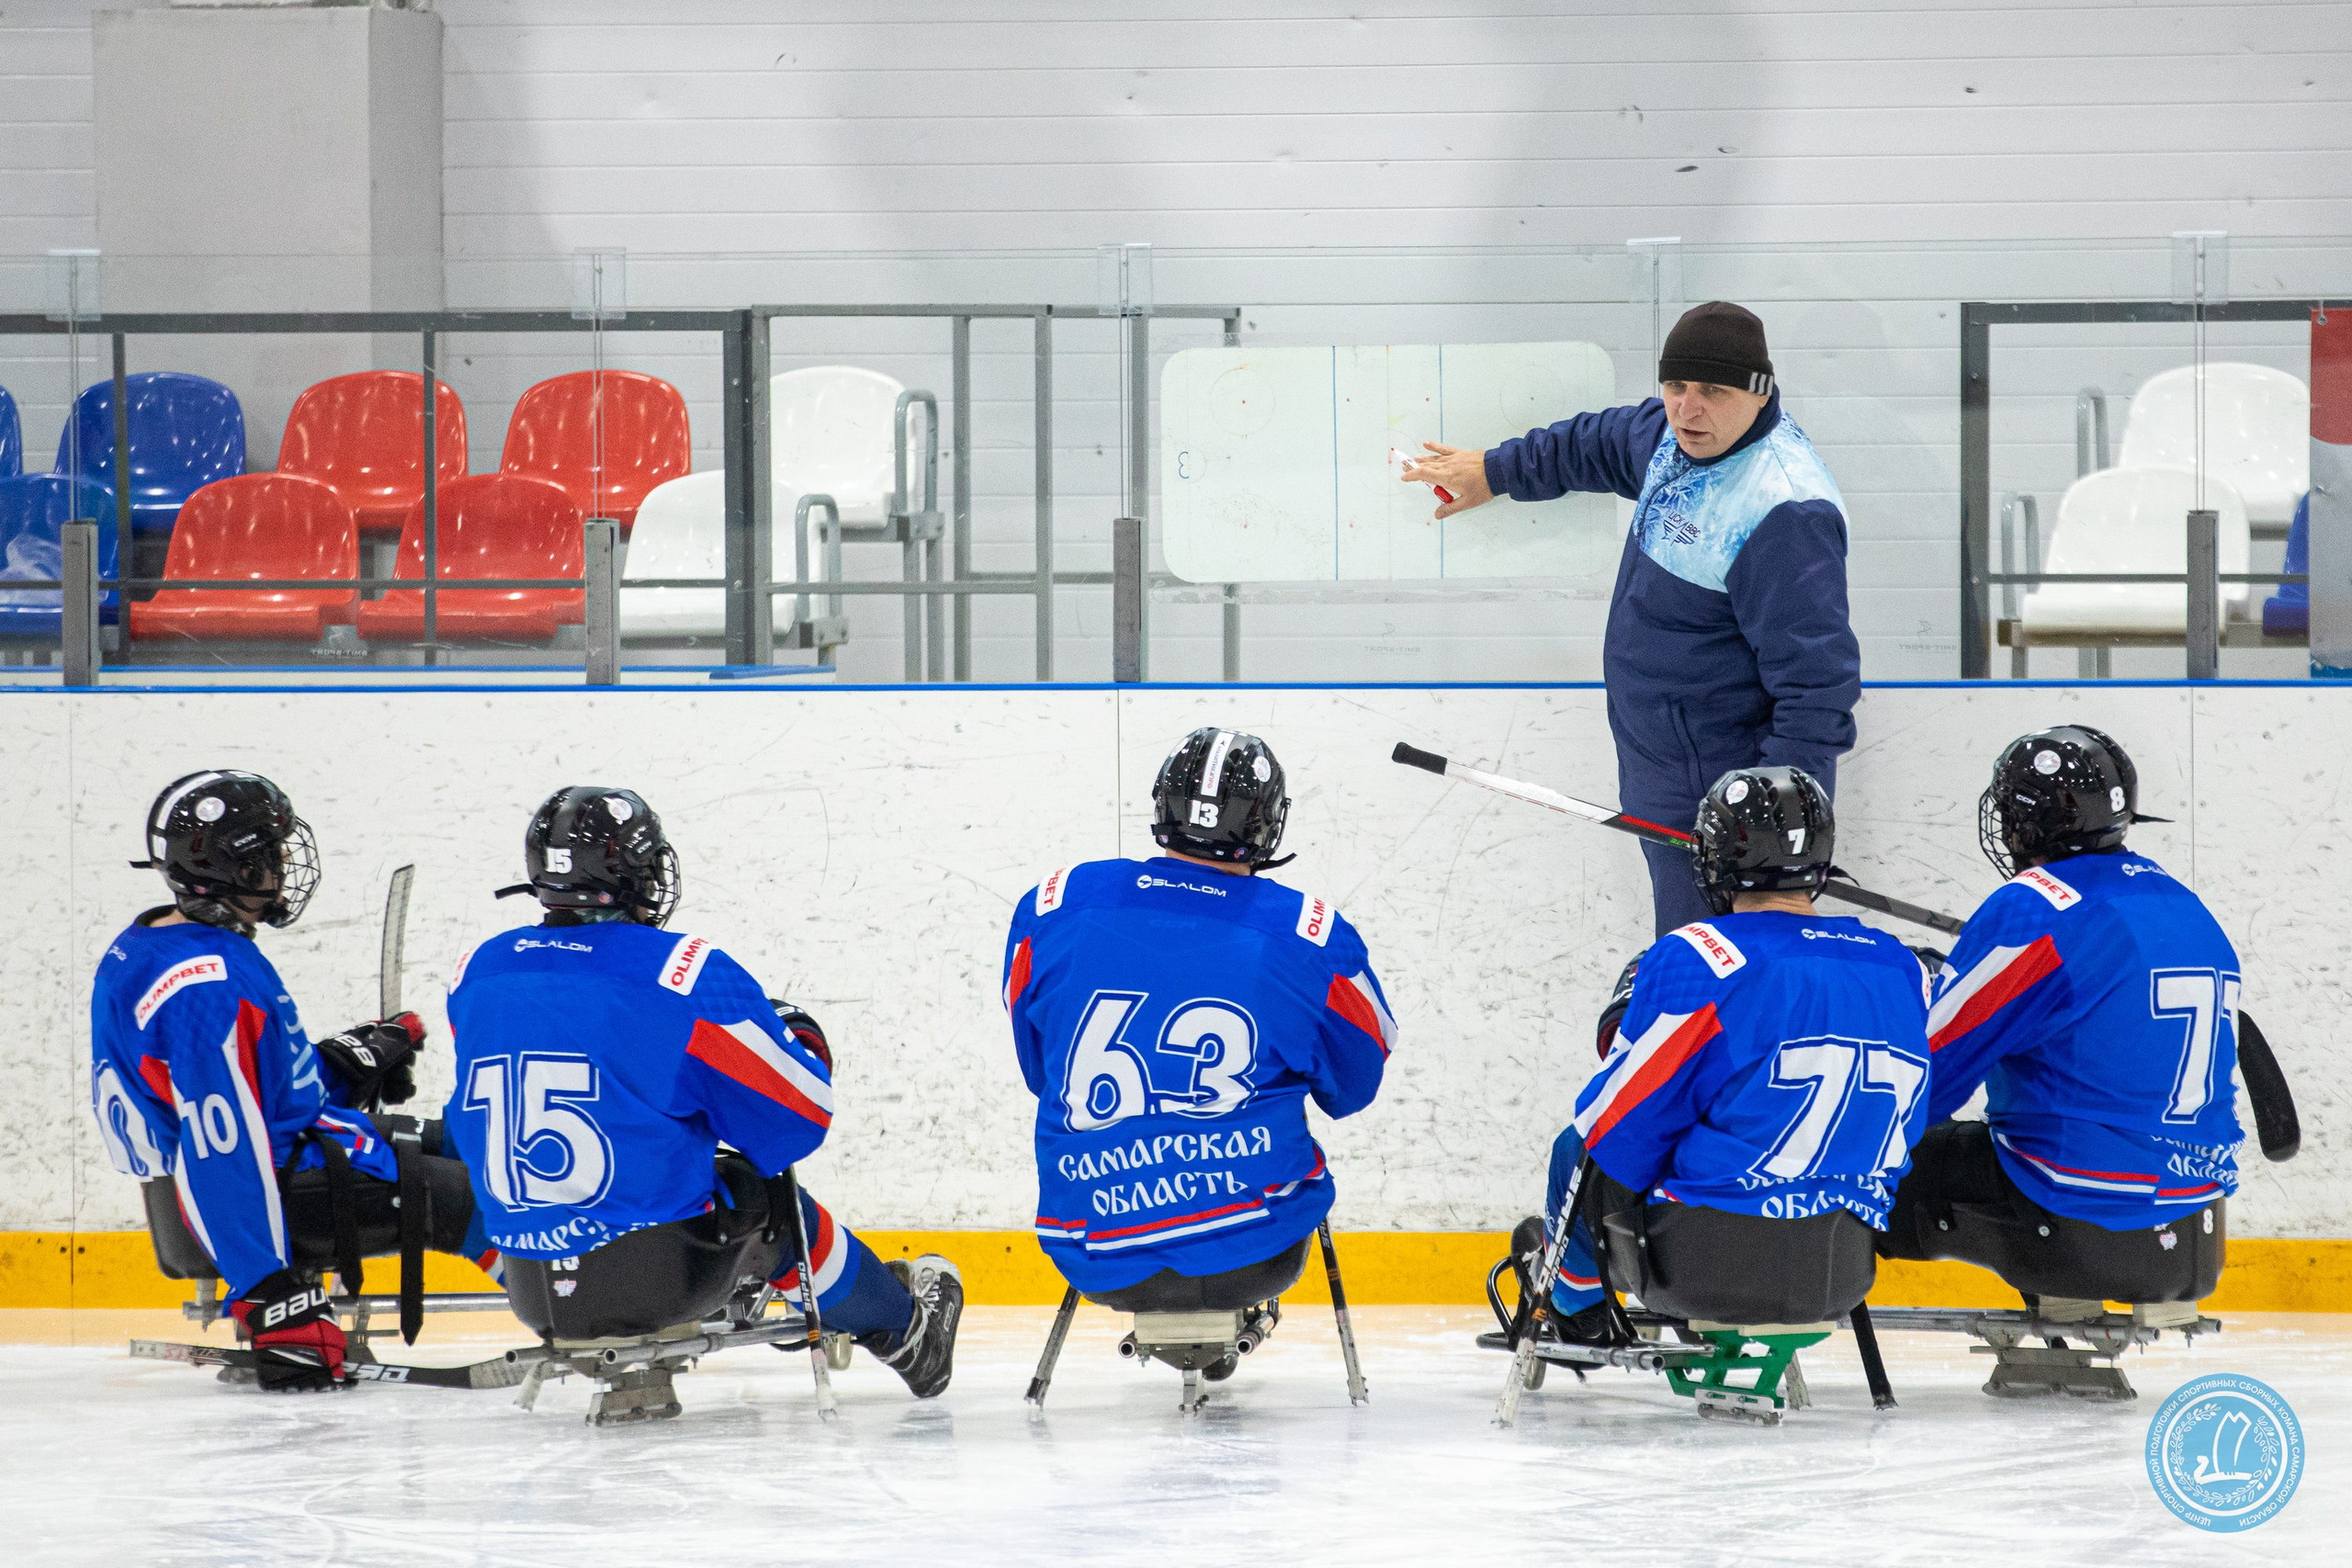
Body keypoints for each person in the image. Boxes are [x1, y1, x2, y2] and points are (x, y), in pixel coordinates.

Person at [441, 784, 962, 1396]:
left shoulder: (479, 967)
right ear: (633, 872)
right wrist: (802, 1041)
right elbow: (796, 1118)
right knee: (760, 1194)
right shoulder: (680, 971)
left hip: (530, 1278)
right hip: (660, 1275)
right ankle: (906, 1333)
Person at [1404, 301, 1860, 935]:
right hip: (1666, 773)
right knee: (1688, 974)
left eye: (1711, 391)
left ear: (1758, 394)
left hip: (1726, 804)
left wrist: (1768, 830)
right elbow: (1597, 441)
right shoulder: (1675, 440)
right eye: (1674, 386)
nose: (1686, 407)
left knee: (1719, 992)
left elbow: (1817, 691)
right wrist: (1494, 470)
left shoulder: (1784, 512)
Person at [89, 770, 490, 1393]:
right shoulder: (207, 983)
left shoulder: (155, 944)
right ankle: (588, 1304)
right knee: (476, 1197)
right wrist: (269, 1293)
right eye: (271, 852)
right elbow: (221, 1147)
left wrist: (352, 1058)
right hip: (269, 1192)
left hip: (283, 1160)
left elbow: (261, 1092)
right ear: (236, 868)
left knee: (472, 1139)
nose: (284, 864)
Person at [1002, 728, 1396, 1345]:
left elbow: (1040, 1072)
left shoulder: (1051, 906)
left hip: (1092, 1249)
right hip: (1256, 1248)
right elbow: (1353, 1087)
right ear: (1268, 824)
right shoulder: (1311, 934)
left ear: (1163, 804)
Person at [1517, 766, 1931, 1340]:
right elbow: (1913, 1116)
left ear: (1713, 858)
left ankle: (1574, 1303)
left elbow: (1619, 1124)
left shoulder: (1700, 954)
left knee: (1578, 1146)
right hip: (1839, 1266)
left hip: (1704, 1263)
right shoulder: (1899, 963)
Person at [1878, 727, 2237, 1321]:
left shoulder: (2035, 905)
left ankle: (1761, 1292)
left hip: (2082, 1223)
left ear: (2023, 828)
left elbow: (1928, 1077)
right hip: (2195, 1229)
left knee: (1864, 1155)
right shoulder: (2180, 900)